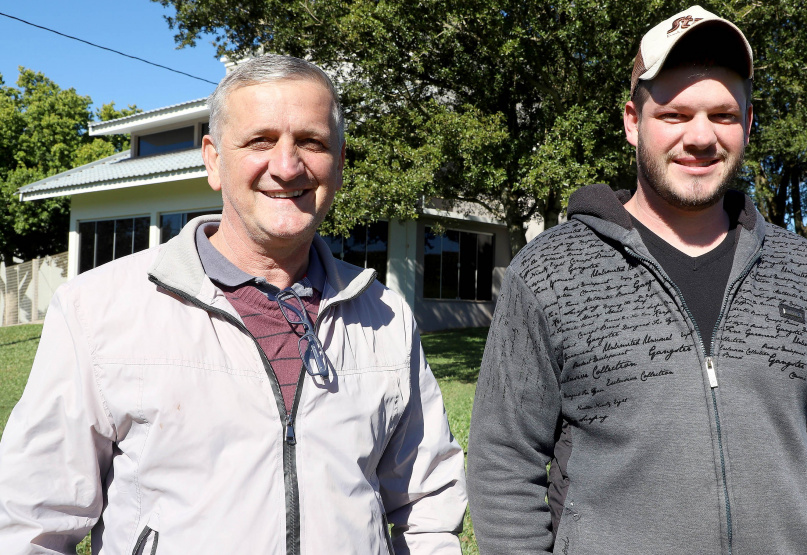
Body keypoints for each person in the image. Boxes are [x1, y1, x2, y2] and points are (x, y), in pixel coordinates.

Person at [467, 6, 807, 554]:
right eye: (675, 115)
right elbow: (502, 465)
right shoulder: (549, 272)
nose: (701, 137)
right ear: (634, 121)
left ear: (748, 124)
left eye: (723, 115)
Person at [0, 54, 466, 554]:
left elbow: (426, 504)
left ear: (340, 162)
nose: (287, 167)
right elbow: (33, 522)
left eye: (311, 142)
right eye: (261, 141)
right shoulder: (97, 311)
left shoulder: (385, 315)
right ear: (214, 160)